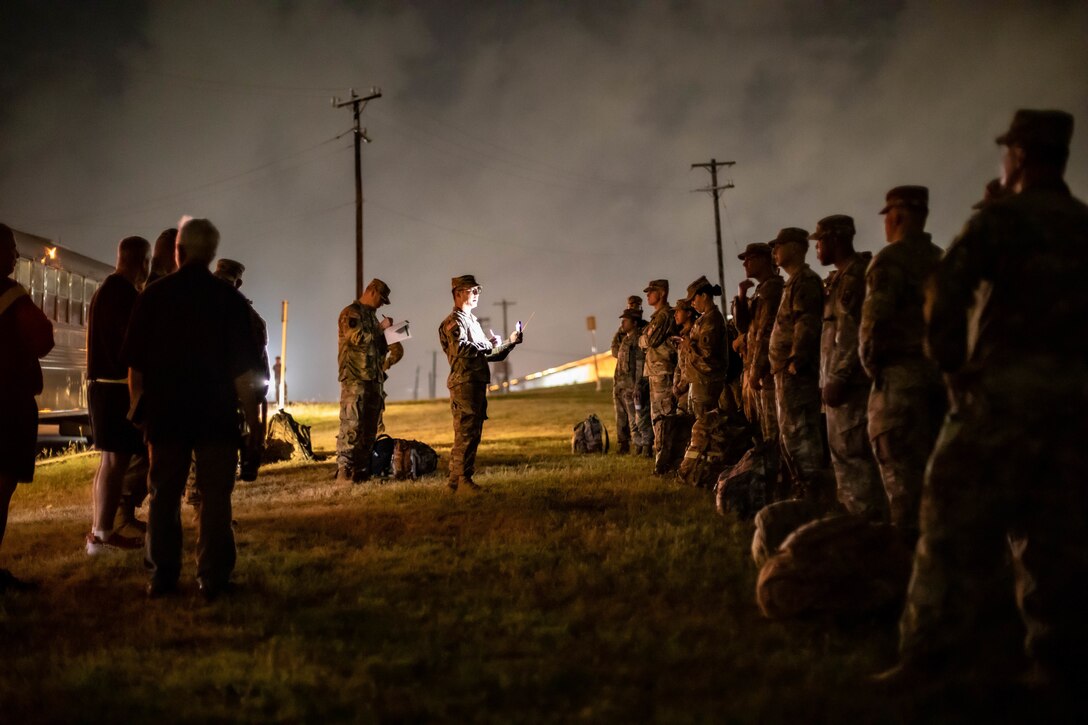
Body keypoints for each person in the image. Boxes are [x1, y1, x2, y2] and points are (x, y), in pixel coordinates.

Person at [886, 110, 1088, 691]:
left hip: (1001, 397)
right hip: (1073, 402)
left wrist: (954, 367)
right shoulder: (1081, 223)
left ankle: (932, 657)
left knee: (947, 523)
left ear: (1019, 157)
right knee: (1056, 536)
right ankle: (1057, 664)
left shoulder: (1002, 221)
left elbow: (947, 292)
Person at [121, 217, 264, 600]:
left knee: (163, 495)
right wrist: (253, 423)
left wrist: (139, 409)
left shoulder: (153, 297)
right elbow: (243, 373)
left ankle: (161, 577)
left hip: (166, 414)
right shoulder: (229, 301)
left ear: (178, 251)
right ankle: (213, 578)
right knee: (216, 496)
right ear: (212, 254)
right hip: (215, 416)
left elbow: (135, 365)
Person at [859, 186, 945, 543]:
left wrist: (872, 368)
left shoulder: (890, 261)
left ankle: (908, 579)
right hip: (940, 384)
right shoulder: (941, 259)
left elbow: (873, 326)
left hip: (900, 386)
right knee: (936, 487)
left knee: (903, 494)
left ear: (895, 217)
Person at [812, 215, 884, 518]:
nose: (816, 247)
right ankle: (856, 522)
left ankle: (868, 527)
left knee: (856, 458)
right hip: (837, 386)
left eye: (820, 241)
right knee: (844, 458)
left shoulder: (855, 278)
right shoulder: (841, 278)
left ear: (836, 240)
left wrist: (839, 376)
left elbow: (854, 334)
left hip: (851, 388)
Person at [85, 235, 150, 555]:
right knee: (116, 462)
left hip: (100, 387)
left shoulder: (103, 291)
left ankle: (99, 532)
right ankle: (103, 534)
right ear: (142, 261)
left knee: (107, 462)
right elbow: (132, 346)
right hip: (114, 388)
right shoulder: (125, 295)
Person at [0, 223, 54, 593]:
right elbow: (42, 338)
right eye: (12, 247)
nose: (17, 255)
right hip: (7, 404)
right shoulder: (10, 295)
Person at [439, 275, 522, 492]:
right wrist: (486, 346)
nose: (476, 295)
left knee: (472, 432)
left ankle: (455, 482)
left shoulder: (471, 321)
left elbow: (490, 355)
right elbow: (462, 350)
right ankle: (462, 480)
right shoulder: (453, 322)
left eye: (478, 290)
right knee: (466, 433)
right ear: (458, 293)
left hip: (475, 382)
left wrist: (509, 343)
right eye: (472, 290)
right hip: (464, 383)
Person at [767, 227, 827, 501]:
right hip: (786, 372)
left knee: (800, 431)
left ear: (794, 247)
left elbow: (807, 323)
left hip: (796, 373)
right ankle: (801, 486)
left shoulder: (805, 281)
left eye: (778, 245)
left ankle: (811, 490)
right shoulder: (794, 282)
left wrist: (796, 359)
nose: (774, 251)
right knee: (790, 432)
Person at [335, 278, 393, 484]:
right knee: (352, 424)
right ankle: (344, 471)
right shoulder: (351, 313)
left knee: (369, 428)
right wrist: (380, 328)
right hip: (355, 378)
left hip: (373, 378)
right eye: (381, 299)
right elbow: (355, 337)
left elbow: (377, 346)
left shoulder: (371, 317)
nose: (381, 304)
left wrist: (390, 336)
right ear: (372, 292)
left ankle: (361, 471)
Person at [732, 242, 785, 447]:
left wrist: (756, 370)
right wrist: (742, 297)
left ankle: (781, 473)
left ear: (765, 259)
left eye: (750, 258)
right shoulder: (761, 290)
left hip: (767, 370)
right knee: (764, 428)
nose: (745, 263)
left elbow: (766, 334)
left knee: (774, 429)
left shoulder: (773, 289)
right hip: (757, 368)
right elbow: (744, 326)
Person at [677, 276, 727, 484]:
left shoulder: (712, 320)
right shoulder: (703, 319)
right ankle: (698, 471)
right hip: (698, 381)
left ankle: (705, 473)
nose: (692, 304)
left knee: (706, 430)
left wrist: (688, 345)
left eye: (694, 299)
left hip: (706, 383)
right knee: (699, 429)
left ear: (704, 295)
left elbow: (707, 356)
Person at [639, 280, 677, 472]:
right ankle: (661, 458)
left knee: (663, 417)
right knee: (657, 418)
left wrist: (644, 337)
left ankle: (665, 461)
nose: (648, 295)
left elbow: (649, 340)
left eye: (651, 292)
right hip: (656, 373)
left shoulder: (664, 316)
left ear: (661, 293)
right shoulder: (657, 317)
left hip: (664, 373)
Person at [614, 309, 652, 456]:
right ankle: (638, 446)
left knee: (641, 417)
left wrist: (638, 385)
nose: (622, 323)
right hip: (625, 388)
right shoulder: (625, 339)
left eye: (626, 320)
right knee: (632, 420)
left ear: (634, 323)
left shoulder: (637, 340)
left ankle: (647, 446)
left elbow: (639, 365)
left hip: (635, 387)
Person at [610, 295, 642, 453]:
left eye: (635, 304)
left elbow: (640, 360)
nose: (632, 306)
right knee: (620, 415)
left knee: (635, 416)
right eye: (630, 304)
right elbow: (615, 350)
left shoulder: (642, 330)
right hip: (620, 380)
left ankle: (640, 445)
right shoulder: (623, 333)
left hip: (631, 382)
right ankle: (623, 444)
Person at [671, 298, 699, 414]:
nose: (675, 315)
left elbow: (691, 363)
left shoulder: (694, 334)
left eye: (678, 311)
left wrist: (680, 387)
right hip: (683, 389)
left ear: (688, 313)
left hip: (691, 389)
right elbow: (680, 364)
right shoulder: (682, 334)